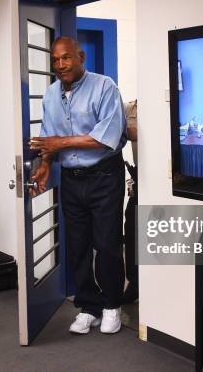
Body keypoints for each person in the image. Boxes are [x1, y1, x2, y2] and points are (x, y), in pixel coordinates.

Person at [29, 37, 127, 335]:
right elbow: (48, 138)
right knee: (77, 246)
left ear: (80, 56)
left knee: (107, 244)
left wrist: (60, 142)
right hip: (71, 180)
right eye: (55, 60)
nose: (60, 65)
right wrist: (46, 164)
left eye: (66, 58)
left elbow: (105, 136)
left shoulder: (104, 87)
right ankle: (89, 307)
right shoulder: (49, 95)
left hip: (104, 176)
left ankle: (112, 305)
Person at [123, 99, 137, 304]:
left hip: (165, 179)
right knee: (132, 226)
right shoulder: (128, 108)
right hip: (140, 178)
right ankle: (134, 283)